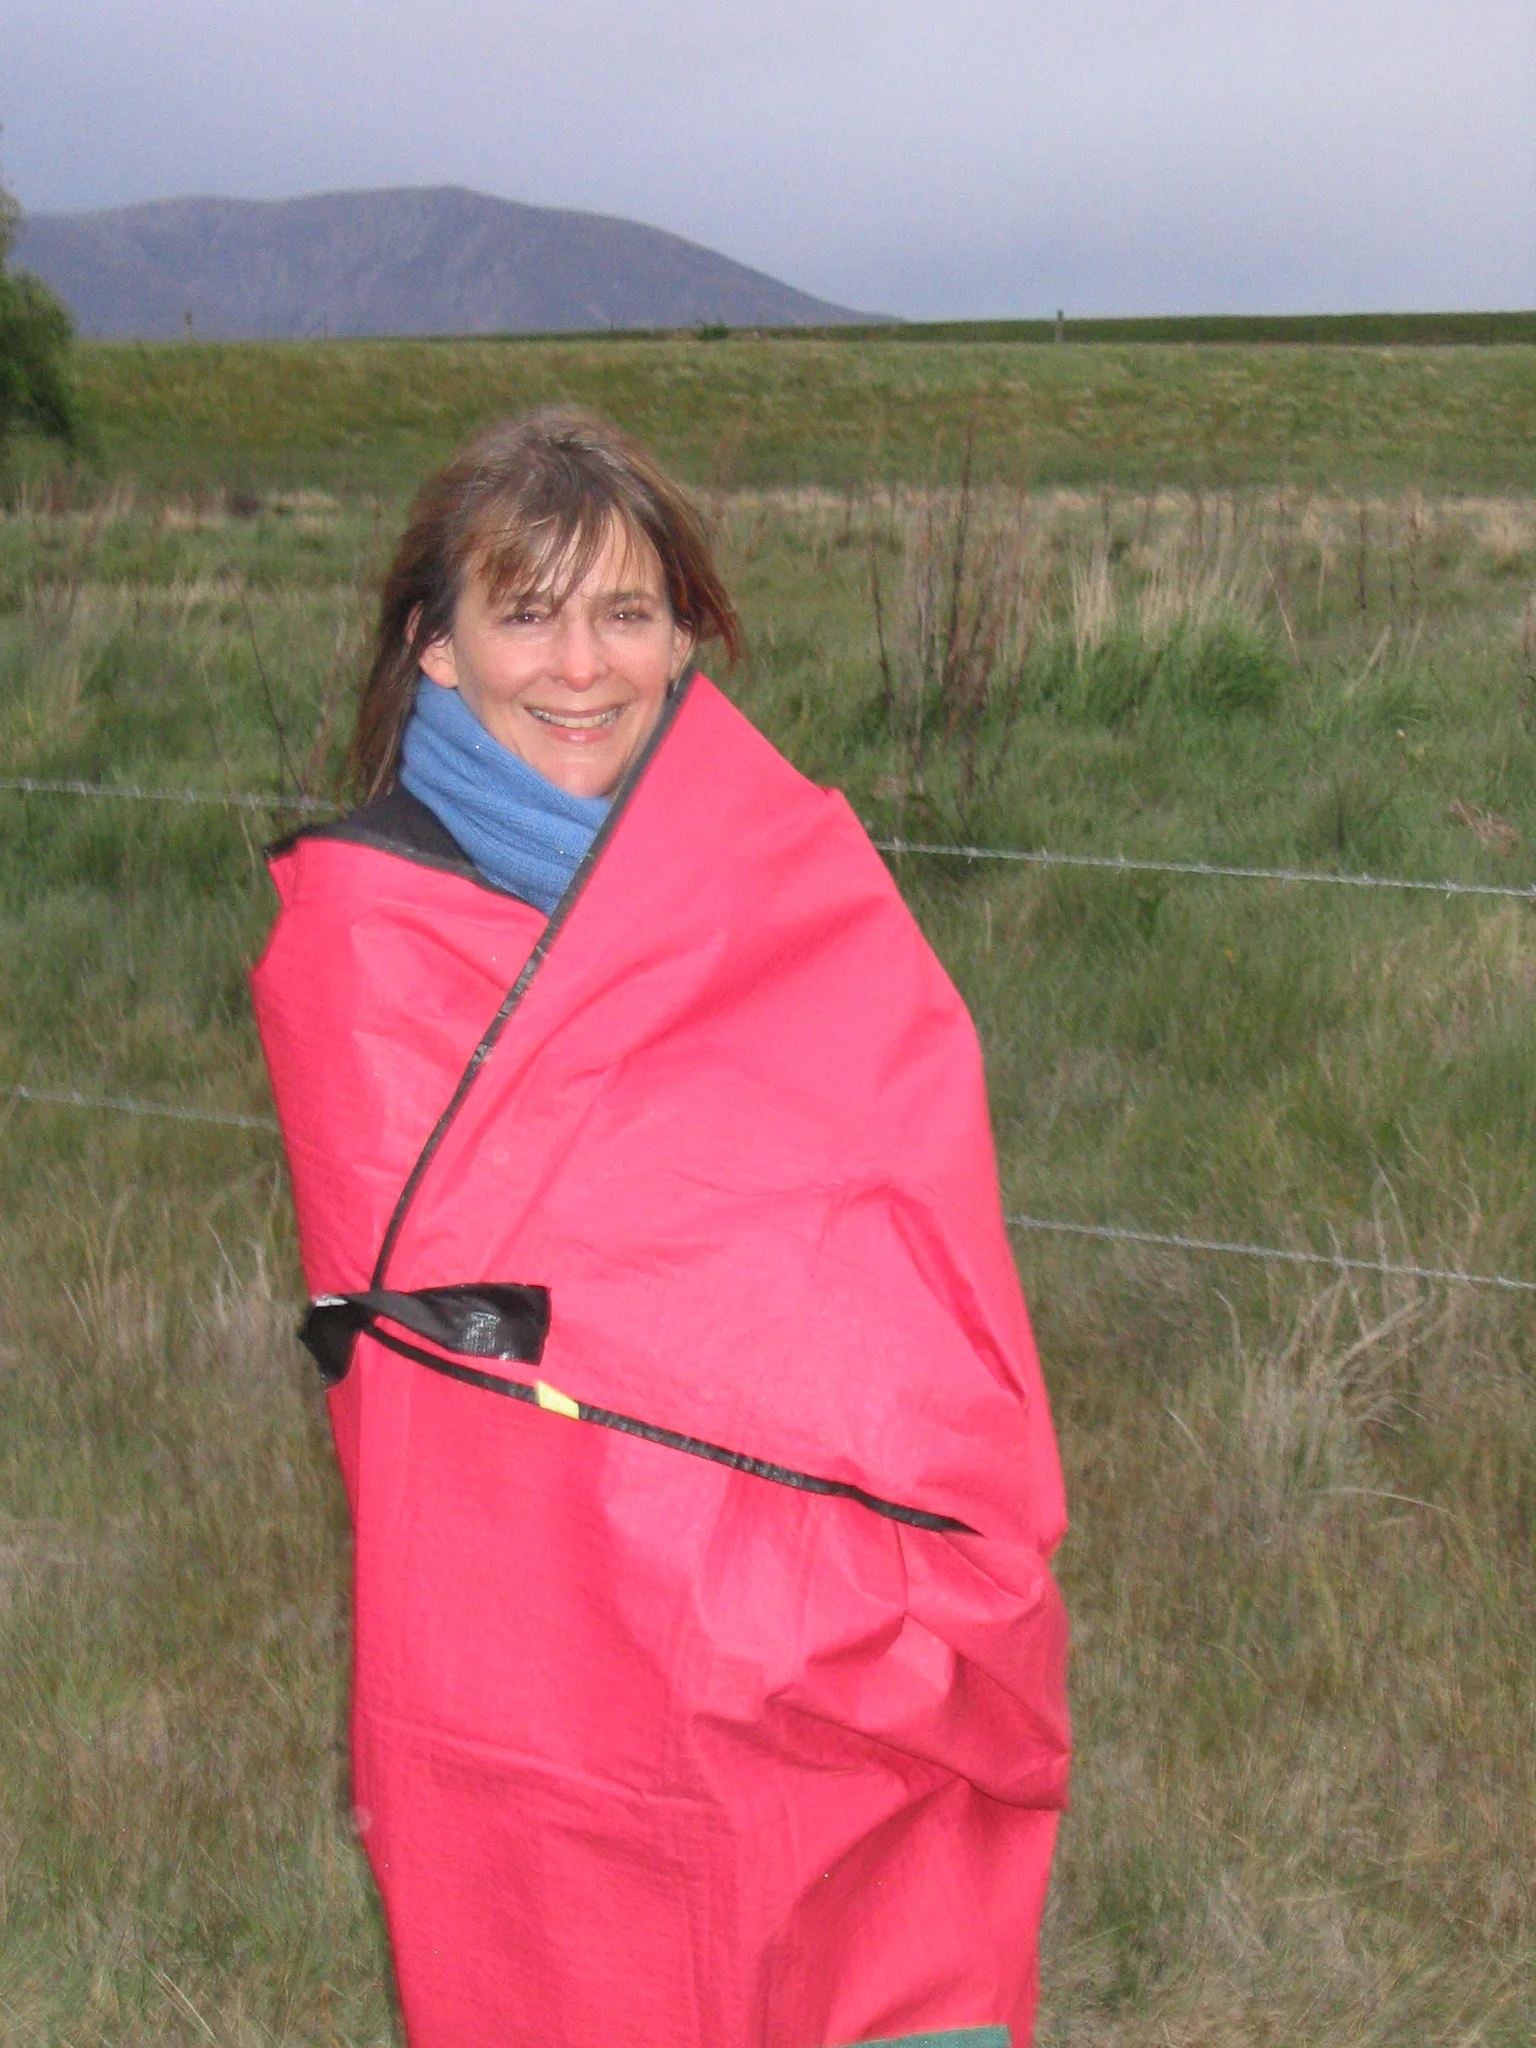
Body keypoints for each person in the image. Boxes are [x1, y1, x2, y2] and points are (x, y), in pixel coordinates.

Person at [252, 408, 1070, 2048]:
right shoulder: (365, 939)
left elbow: (911, 1243)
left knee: (881, 1957)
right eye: (527, 612)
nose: (582, 666)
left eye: (626, 612)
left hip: (836, 1620)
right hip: (546, 1645)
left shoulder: (794, 885)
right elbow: (486, 1324)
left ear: (685, 636)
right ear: (433, 648)